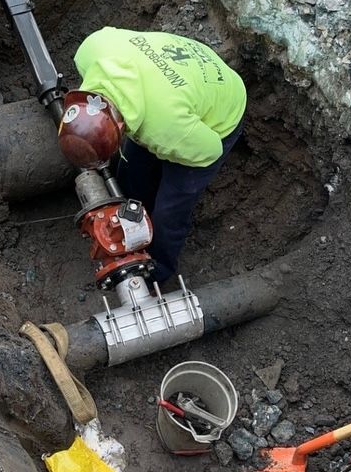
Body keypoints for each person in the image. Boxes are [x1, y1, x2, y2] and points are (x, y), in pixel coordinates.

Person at [58, 26, 247, 284]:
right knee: (131, 171)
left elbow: (210, 151)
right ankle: (132, 218)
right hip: (174, 81)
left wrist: (167, 155)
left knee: (169, 211)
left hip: (219, 113)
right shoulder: (90, 51)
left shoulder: (168, 128)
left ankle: (157, 270)